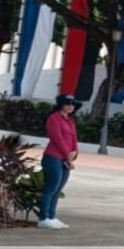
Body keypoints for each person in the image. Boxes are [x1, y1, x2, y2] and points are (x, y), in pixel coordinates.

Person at [37, 93, 80, 229]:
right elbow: (57, 139)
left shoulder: (70, 120)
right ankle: (43, 218)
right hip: (53, 157)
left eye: (72, 104)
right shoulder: (54, 118)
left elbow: (73, 138)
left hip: (66, 158)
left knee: (58, 189)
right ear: (61, 104)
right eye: (67, 103)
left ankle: (51, 216)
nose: (70, 106)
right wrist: (67, 155)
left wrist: (75, 152)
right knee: (50, 188)